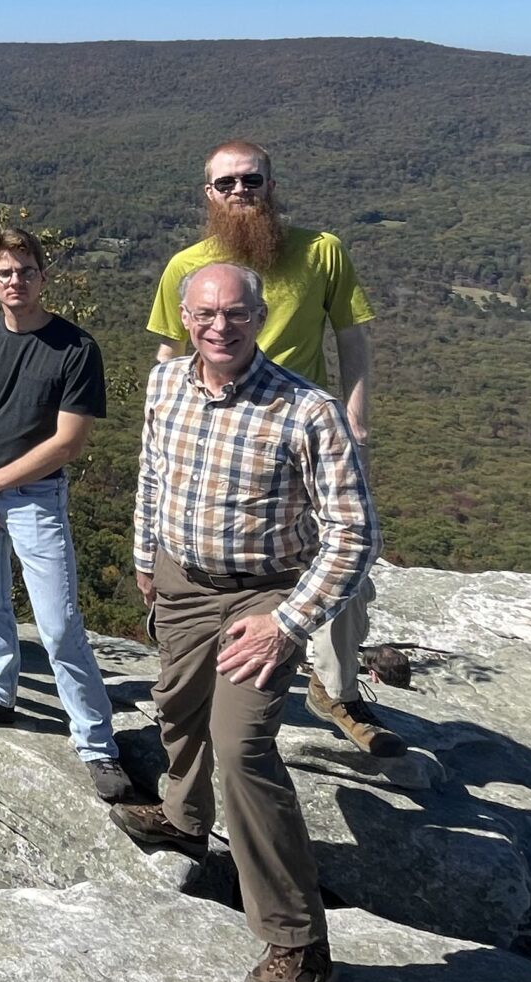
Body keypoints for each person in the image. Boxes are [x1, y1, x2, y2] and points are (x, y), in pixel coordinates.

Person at [118, 260, 381, 982]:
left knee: (241, 747)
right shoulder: (166, 383)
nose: (219, 328)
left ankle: (300, 942)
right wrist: (145, 560)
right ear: (185, 316)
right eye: (204, 315)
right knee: (175, 701)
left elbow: (354, 533)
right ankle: (182, 815)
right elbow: (153, 474)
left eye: (235, 315)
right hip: (180, 577)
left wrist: (288, 622)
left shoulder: (308, 411)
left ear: (260, 318)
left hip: (263, 595)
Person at [146, 139, 398, 756]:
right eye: (224, 184)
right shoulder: (187, 265)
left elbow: (352, 338)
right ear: (208, 194)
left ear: (270, 184)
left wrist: (356, 420)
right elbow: (169, 355)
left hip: (304, 435)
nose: (238, 193)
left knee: (344, 565)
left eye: (249, 181)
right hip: (222, 443)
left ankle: (335, 689)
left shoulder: (322, 252)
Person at [0, 228, 133, 803]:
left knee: (58, 624)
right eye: (4, 273)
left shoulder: (75, 348)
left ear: (43, 278)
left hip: (35, 495)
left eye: (25, 271)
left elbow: (68, 443)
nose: (15, 281)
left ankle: (97, 745)